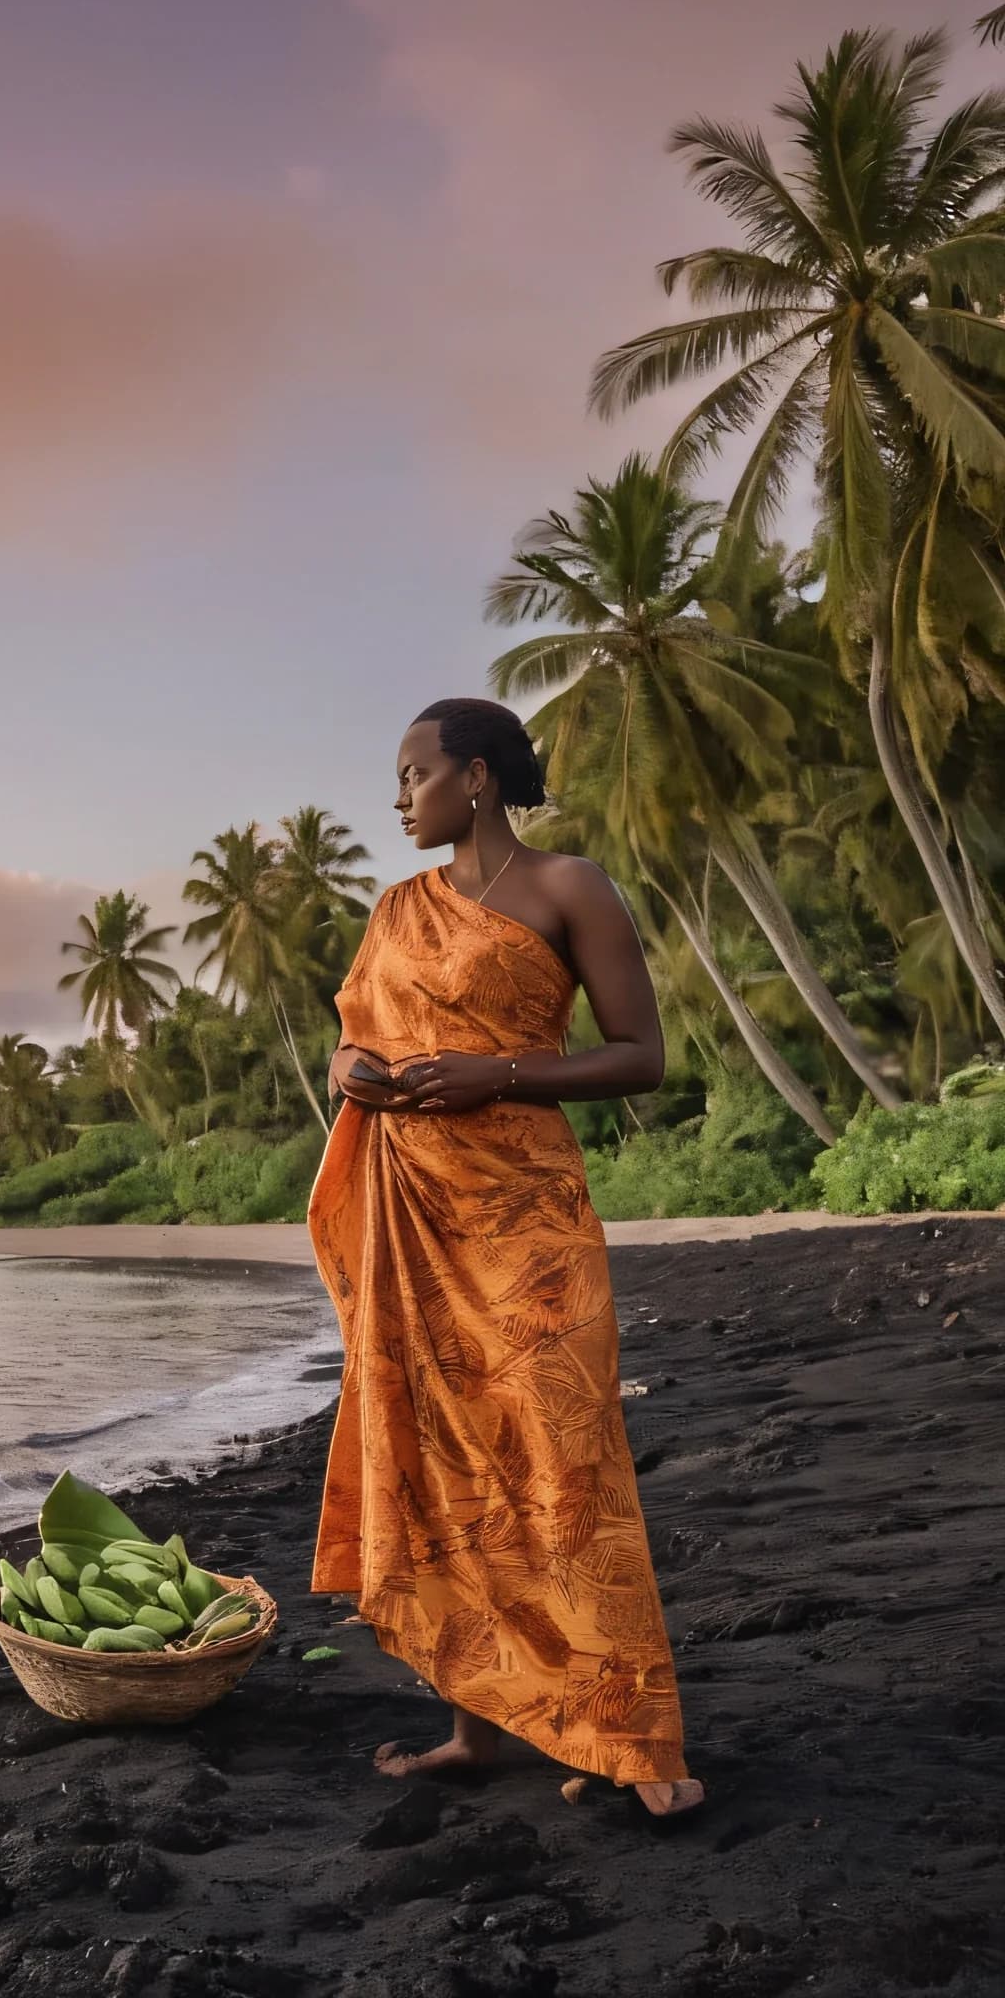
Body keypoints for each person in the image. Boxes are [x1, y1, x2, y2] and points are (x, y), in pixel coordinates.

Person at [308, 696, 703, 1819]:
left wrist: (505, 1072)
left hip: (524, 1220)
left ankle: (633, 1738)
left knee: (562, 1466)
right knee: (445, 1462)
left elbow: (641, 1055)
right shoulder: (394, 908)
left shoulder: (568, 886)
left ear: (472, 777)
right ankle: (474, 1731)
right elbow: (354, 1030)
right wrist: (351, 1072)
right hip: (412, 1212)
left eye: (411, 774)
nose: (397, 797)